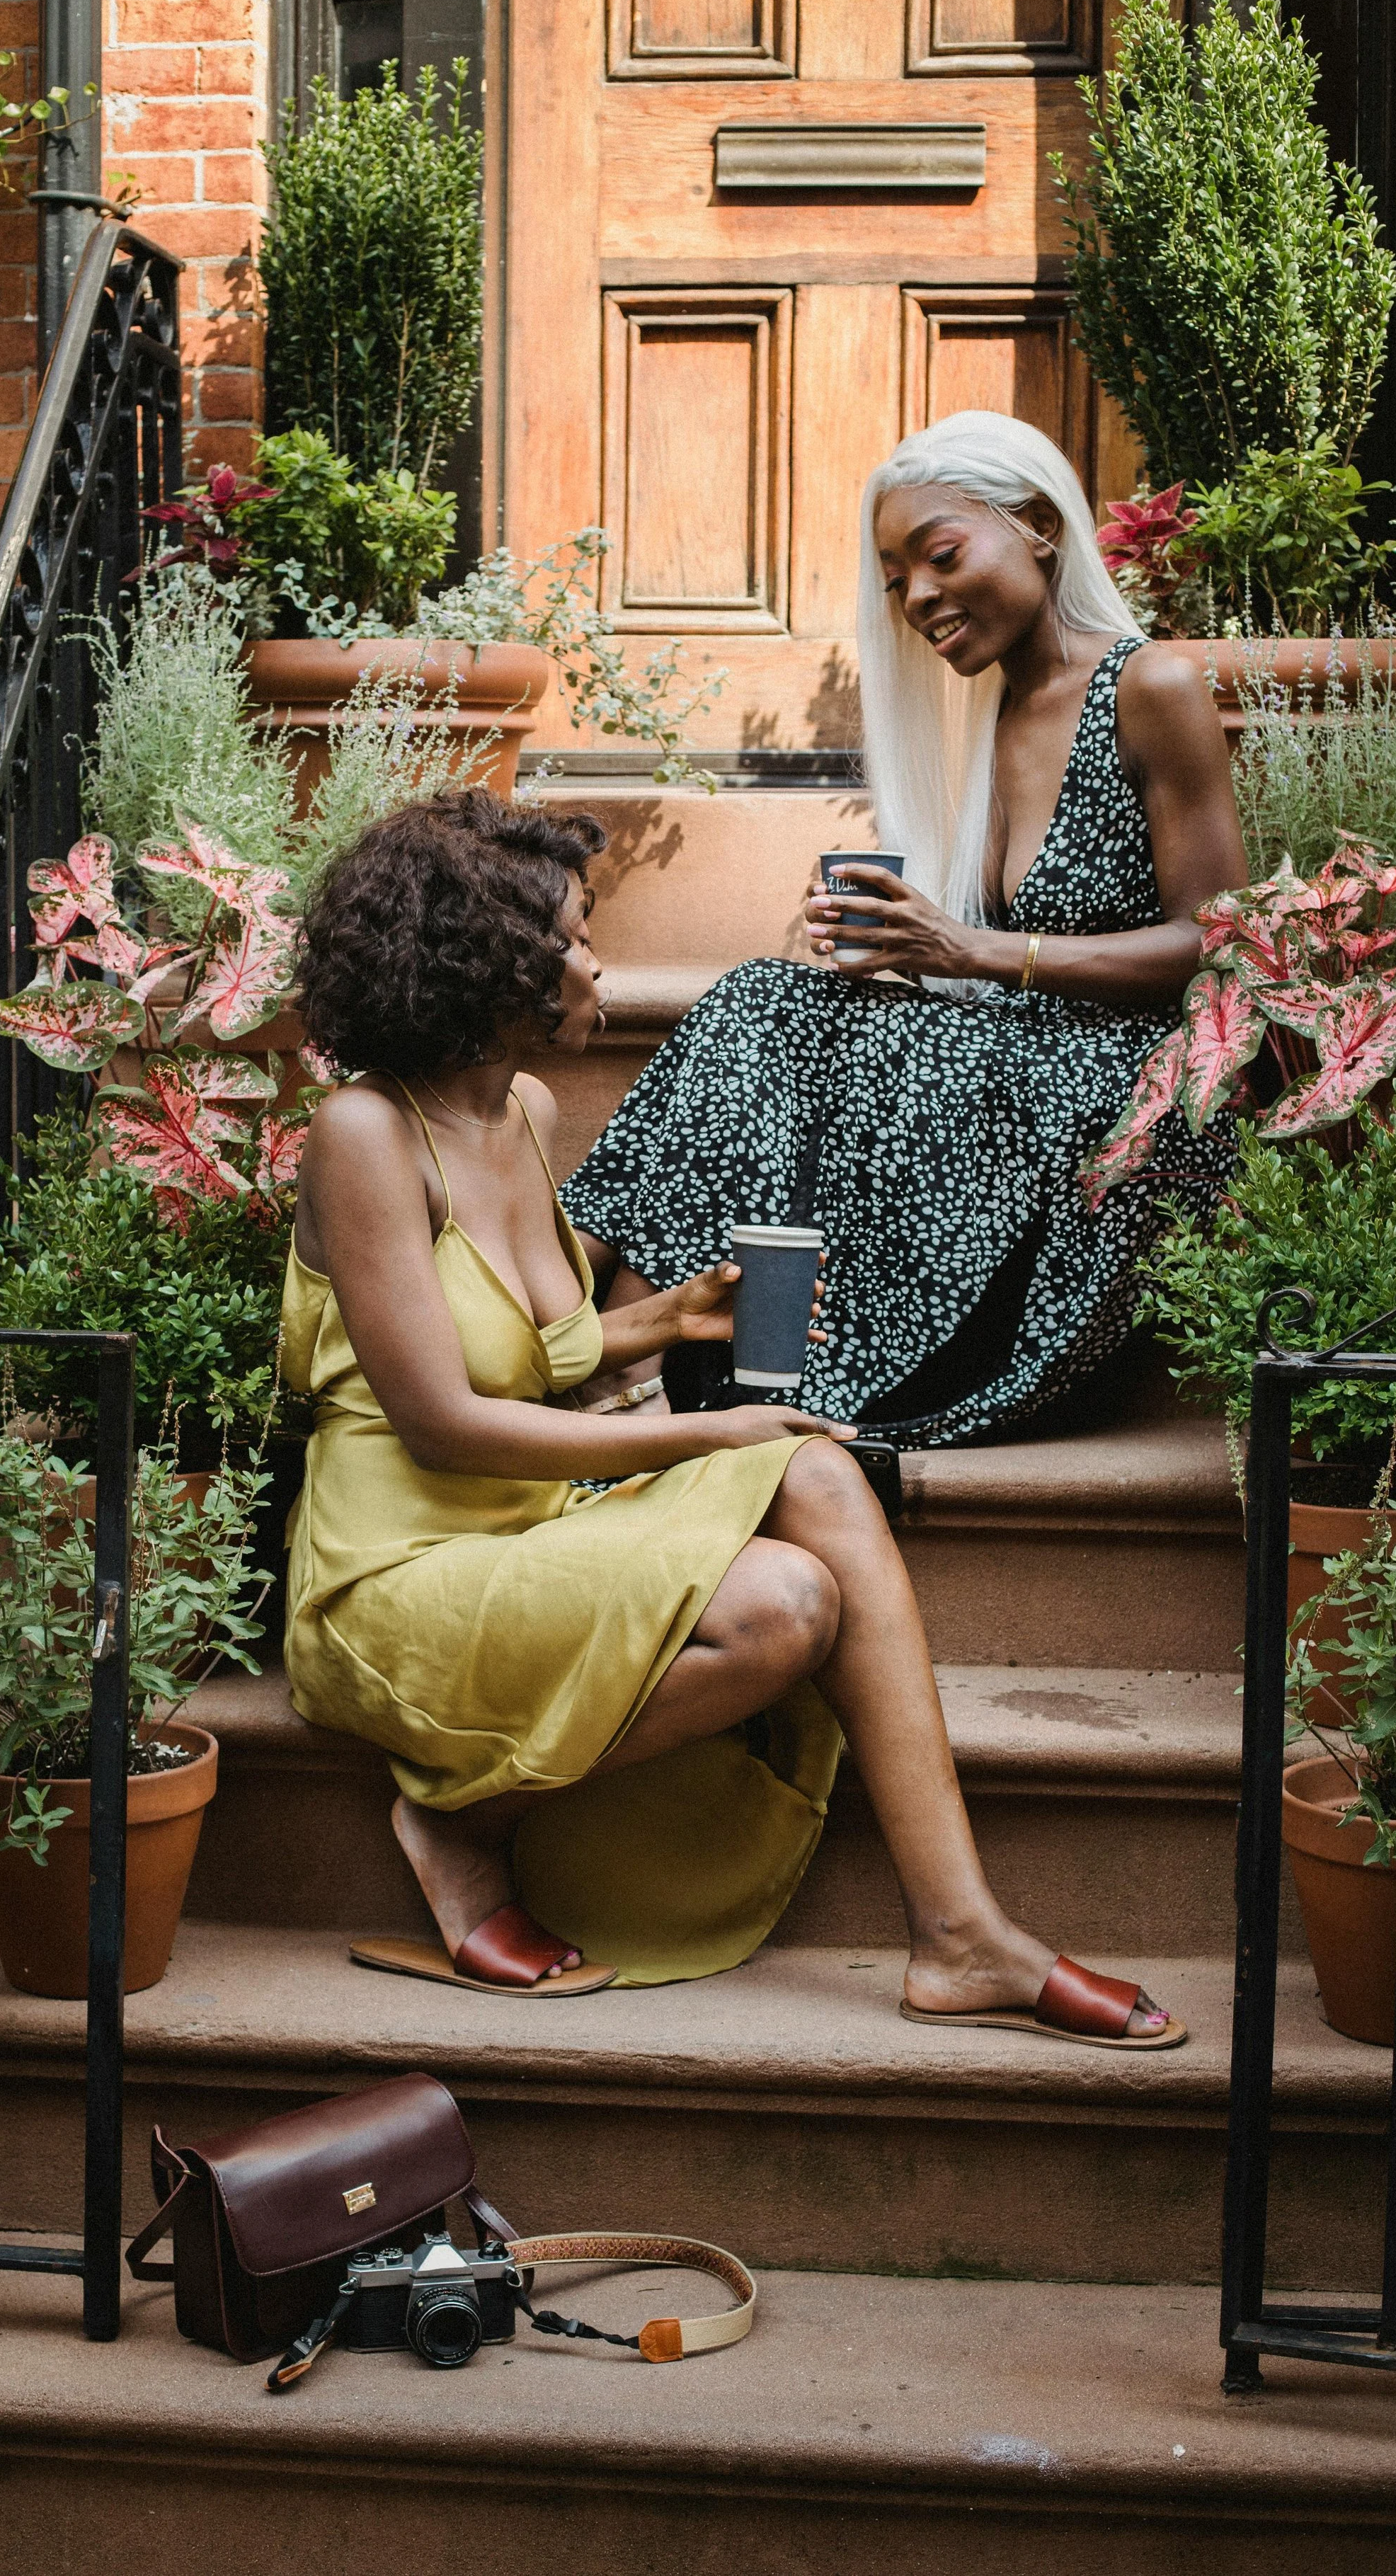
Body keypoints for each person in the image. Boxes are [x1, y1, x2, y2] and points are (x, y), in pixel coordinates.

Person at [278, 788, 1182, 2044]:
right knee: (784, 1599)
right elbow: (447, 1423)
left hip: (536, 1530)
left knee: (820, 1472)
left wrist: (675, 1316)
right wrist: (708, 1431)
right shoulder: (365, 1135)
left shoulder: (526, 1115)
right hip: (398, 1572)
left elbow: (548, 1353)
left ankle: (961, 1930)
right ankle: (461, 1817)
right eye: (580, 938)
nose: (602, 965)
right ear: (493, 964)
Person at [562, 410, 1249, 1443]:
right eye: (898, 585)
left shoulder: (1150, 686)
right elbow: (992, 977)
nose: (920, 598)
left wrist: (971, 950)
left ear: (1038, 527)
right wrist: (904, 952)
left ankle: (586, 1341)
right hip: (1019, 1064)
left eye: (939, 555)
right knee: (774, 1003)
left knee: (767, 1011)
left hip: (1129, 1100)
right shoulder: (995, 716)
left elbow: (1219, 948)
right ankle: (600, 1332)